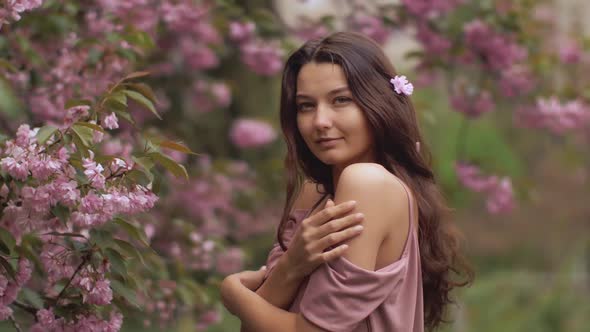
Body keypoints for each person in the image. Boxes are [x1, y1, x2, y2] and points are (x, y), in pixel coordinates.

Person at [220, 31, 473, 332]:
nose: (320, 121)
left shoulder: (367, 183)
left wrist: (232, 293)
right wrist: (292, 265)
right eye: (306, 106)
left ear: (377, 103)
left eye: (340, 100)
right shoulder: (313, 194)